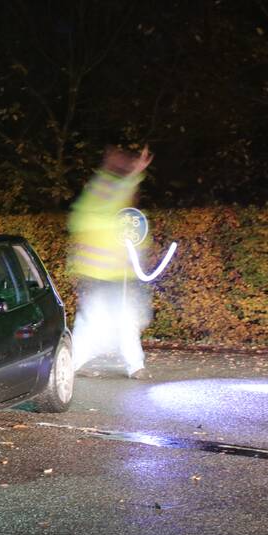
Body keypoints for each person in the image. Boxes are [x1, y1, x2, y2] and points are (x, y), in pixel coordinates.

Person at [67, 145, 153, 378]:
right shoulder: (96, 202)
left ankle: (135, 365)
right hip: (95, 276)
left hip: (114, 275)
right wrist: (134, 174)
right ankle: (74, 364)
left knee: (123, 318)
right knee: (93, 320)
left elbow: (131, 228)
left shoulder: (112, 210)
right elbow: (111, 201)